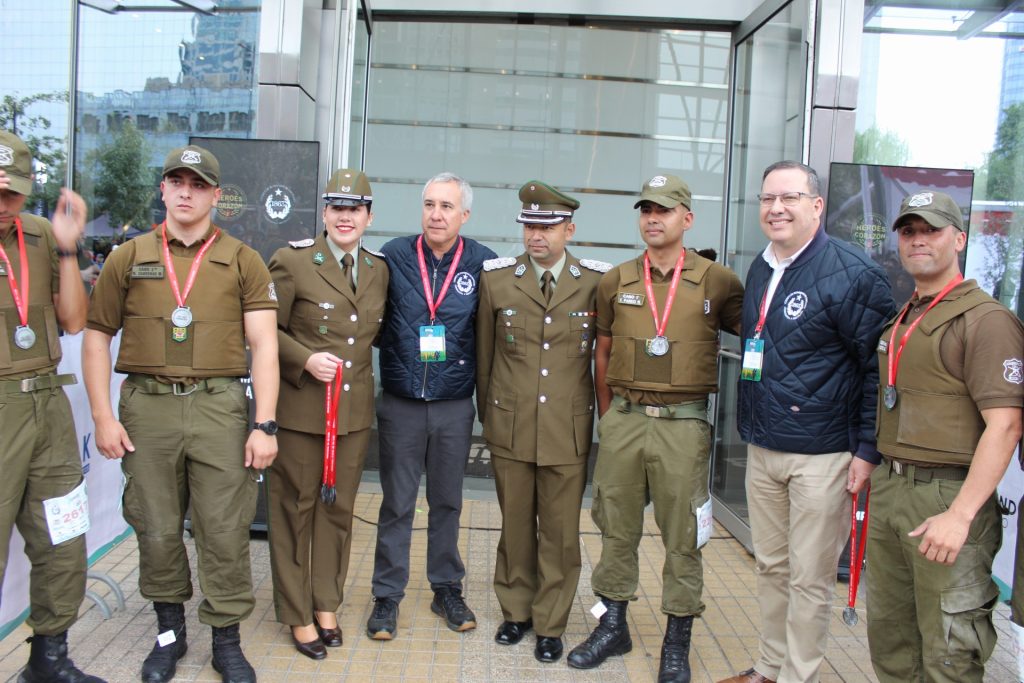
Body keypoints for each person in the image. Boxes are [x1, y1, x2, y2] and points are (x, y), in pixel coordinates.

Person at [83, 145, 279, 683]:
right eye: (177, 181)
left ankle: (226, 640)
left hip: (219, 407)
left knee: (223, 528)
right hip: (147, 408)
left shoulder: (243, 259)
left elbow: (264, 346)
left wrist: (264, 424)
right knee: (157, 527)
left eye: (198, 183)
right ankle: (169, 635)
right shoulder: (129, 255)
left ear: (217, 195)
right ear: (164, 189)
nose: (186, 191)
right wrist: (103, 416)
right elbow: (96, 337)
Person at [723, 161, 895, 683]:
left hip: (823, 455)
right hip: (764, 445)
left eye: (790, 198)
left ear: (816, 206)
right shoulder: (761, 266)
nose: (776, 208)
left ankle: (799, 675)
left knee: (809, 579)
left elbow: (876, 370)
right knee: (771, 567)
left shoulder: (854, 273)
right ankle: (769, 668)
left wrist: (867, 450)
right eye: (768, 198)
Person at [567, 174, 744, 682]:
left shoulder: (718, 281)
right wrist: (609, 416)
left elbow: (755, 334)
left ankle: (676, 641)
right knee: (614, 527)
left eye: (664, 210)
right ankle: (613, 626)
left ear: (687, 218)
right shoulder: (616, 279)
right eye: (646, 209)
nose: (652, 218)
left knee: (683, 536)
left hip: (683, 425)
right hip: (624, 420)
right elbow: (601, 352)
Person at [866, 190, 1023, 682]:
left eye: (930, 230)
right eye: (908, 231)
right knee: (892, 642)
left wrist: (960, 515)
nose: (917, 240)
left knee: (949, 652)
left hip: (948, 496)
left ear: (958, 239)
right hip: (893, 488)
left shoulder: (985, 320)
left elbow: (1007, 424)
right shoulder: (907, 315)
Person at [476, 180, 609, 664]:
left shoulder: (595, 281)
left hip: (567, 430)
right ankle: (516, 613)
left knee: (559, 532)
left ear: (568, 230)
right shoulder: (497, 279)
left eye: (547, 226)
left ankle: (550, 623)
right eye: (530, 225)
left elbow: (600, 360)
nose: (536, 235)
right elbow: (485, 360)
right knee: (514, 528)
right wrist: (489, 420)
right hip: (510, 427)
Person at [366, 171, 496, 640]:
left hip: (453, 404)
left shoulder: (484, 264)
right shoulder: (393, 257)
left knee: (447, 501)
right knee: (397, 503)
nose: (436, 214)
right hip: (401, 402)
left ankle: (446, 588)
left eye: (447, 206)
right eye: (429, 204)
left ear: (464, 214)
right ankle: (386, 596)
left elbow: (494, 333)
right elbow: (372, 321)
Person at [265, 169, 388, 659]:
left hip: (353, 415)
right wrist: (304, 358)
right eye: (336, 207)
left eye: (354, 208)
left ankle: (326, 603)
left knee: (336, 513)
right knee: (294, 512)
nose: (344, 216)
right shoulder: (292, 261)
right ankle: (296, 614)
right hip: (301, 413)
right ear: (324, 213)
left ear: (368, 217)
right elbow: (263, 331)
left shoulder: (378, 269)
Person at [0, 131, 103, 683]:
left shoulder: (39, 235)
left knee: (63, 536)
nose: (4, 201)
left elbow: (72, 320)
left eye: (13, 190)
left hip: (45, 397)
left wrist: (68, 248)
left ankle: (49, 658)